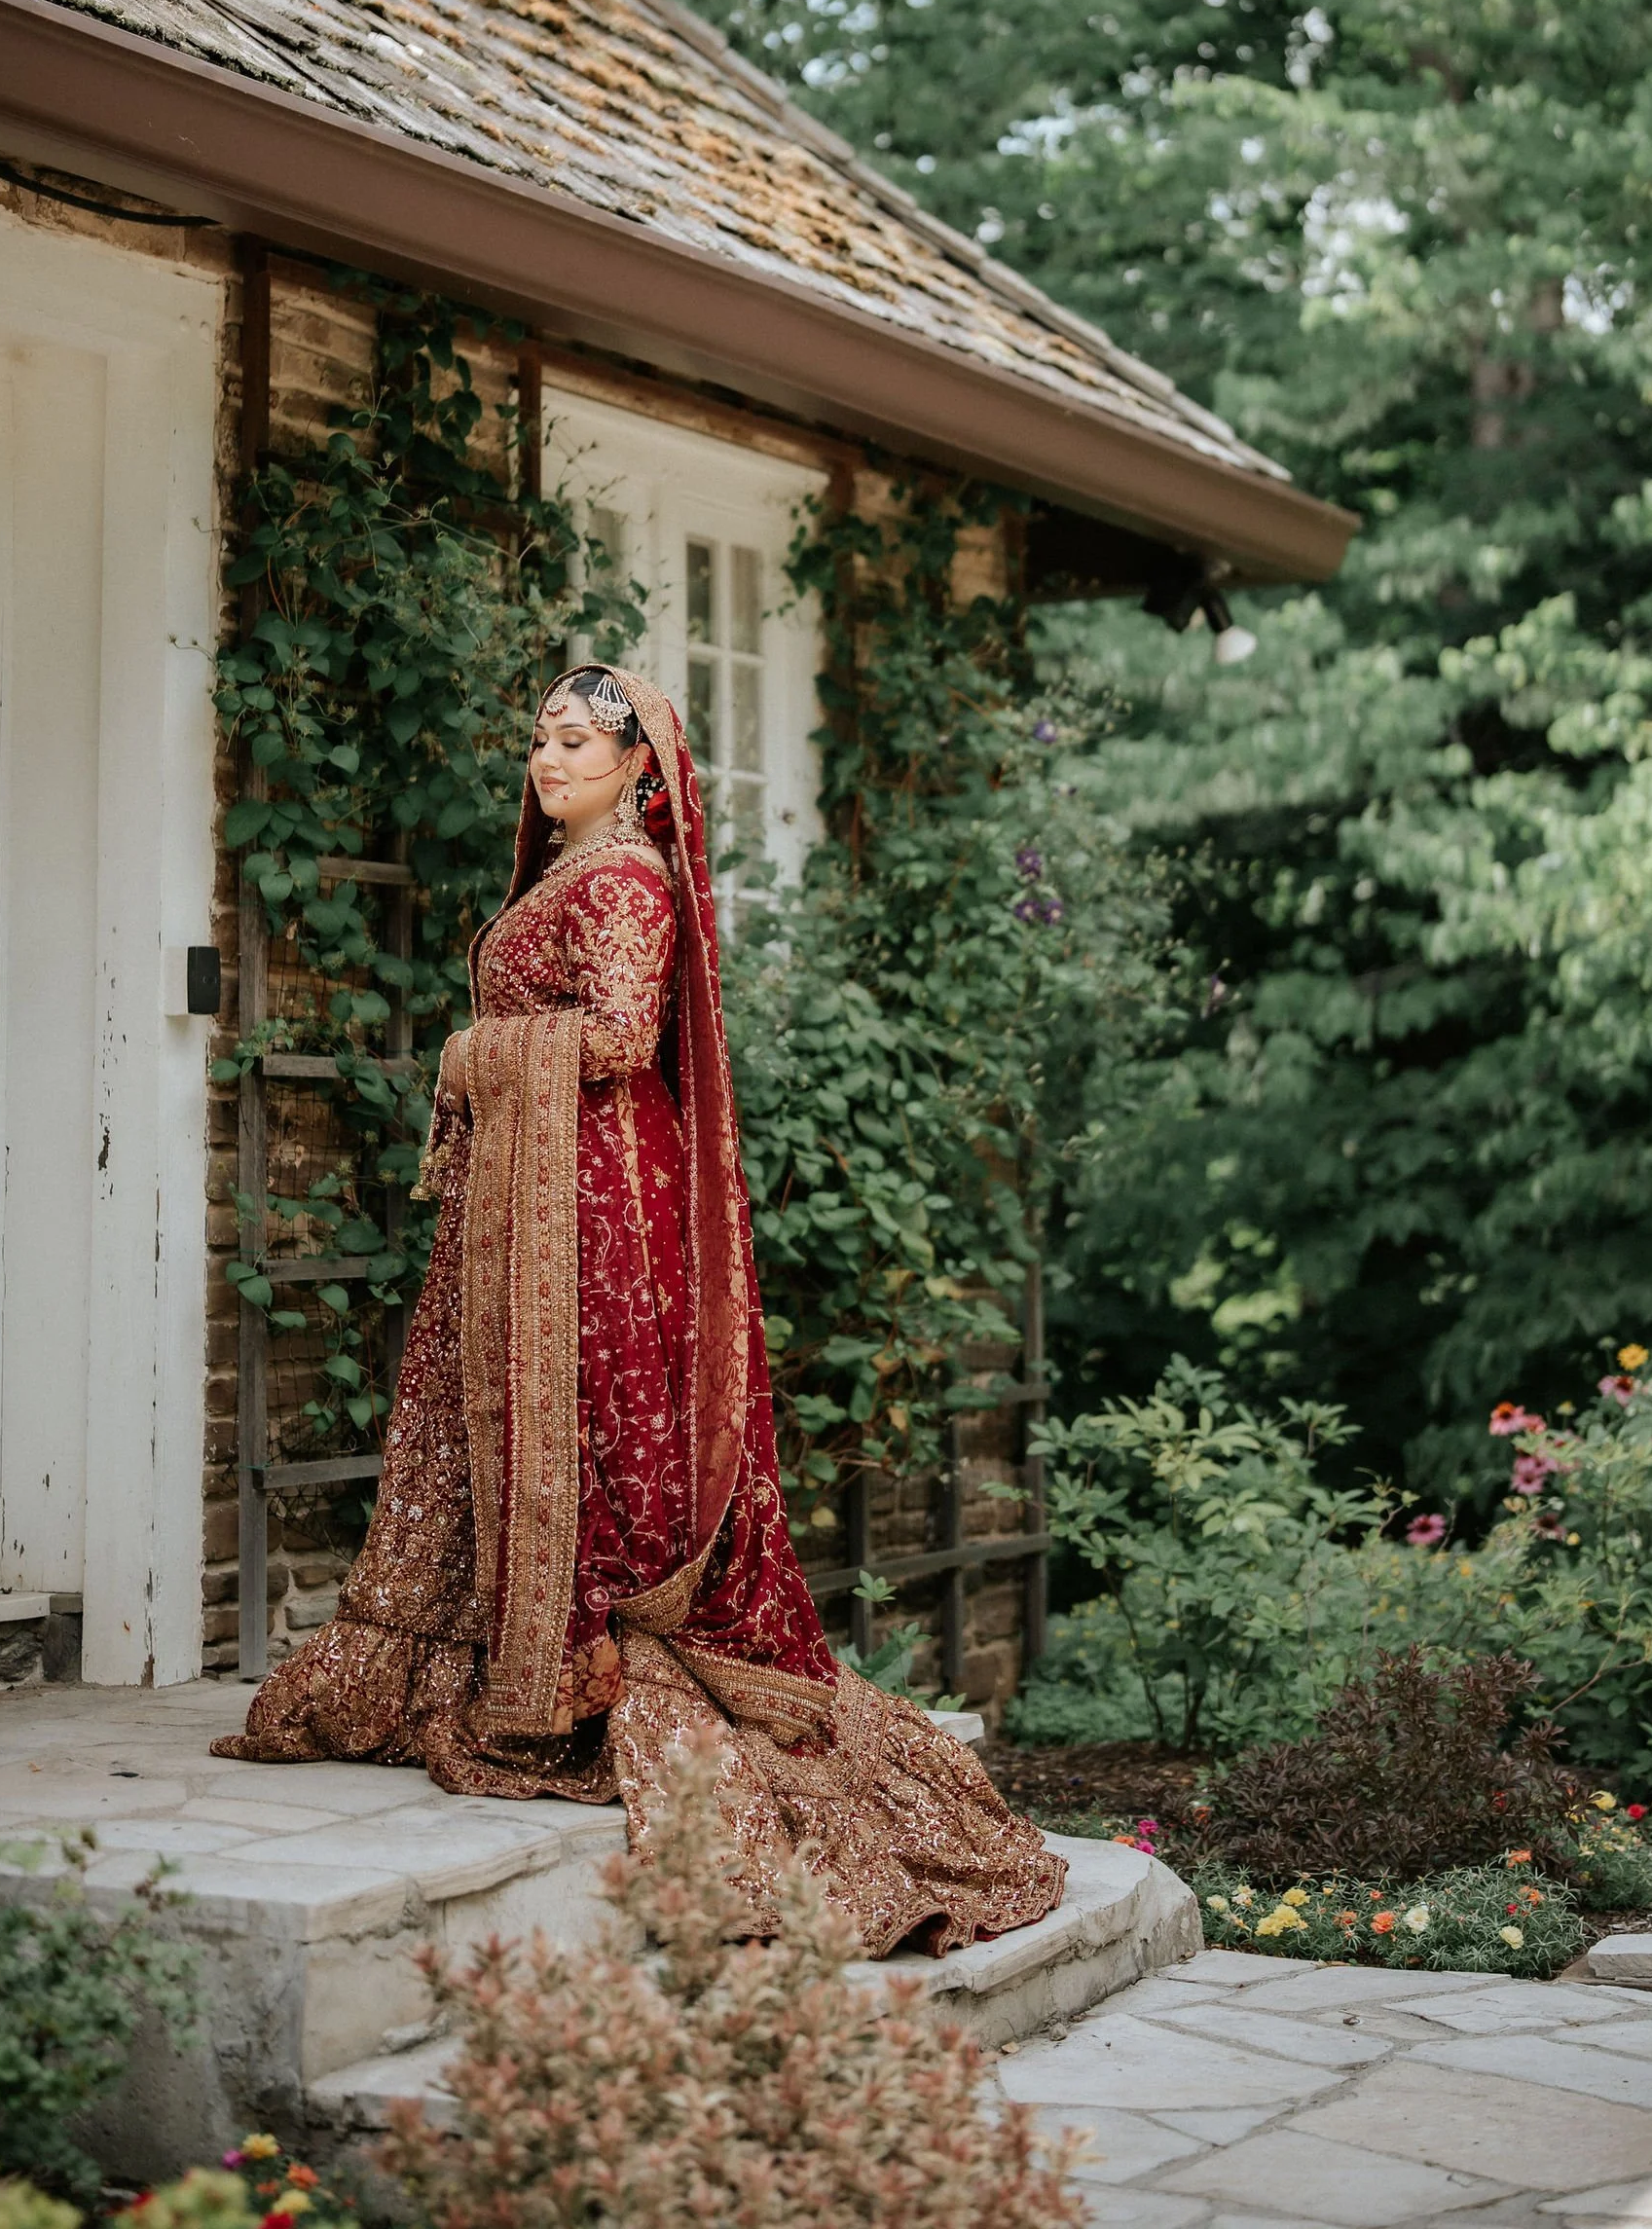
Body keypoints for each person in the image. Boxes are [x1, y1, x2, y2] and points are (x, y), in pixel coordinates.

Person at [213, 666, 1067, 1956]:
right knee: (494, 1428)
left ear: (635, 769)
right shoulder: (565, 875)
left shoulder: (625, 882)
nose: (547, 761)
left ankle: (578, 1675)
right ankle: (507, 1667)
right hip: (534, 1195)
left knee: (597, 1439)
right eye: (539, 741)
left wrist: (462, 1054)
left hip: (596, 1204)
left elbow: (616, 1035)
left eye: (575, 743)